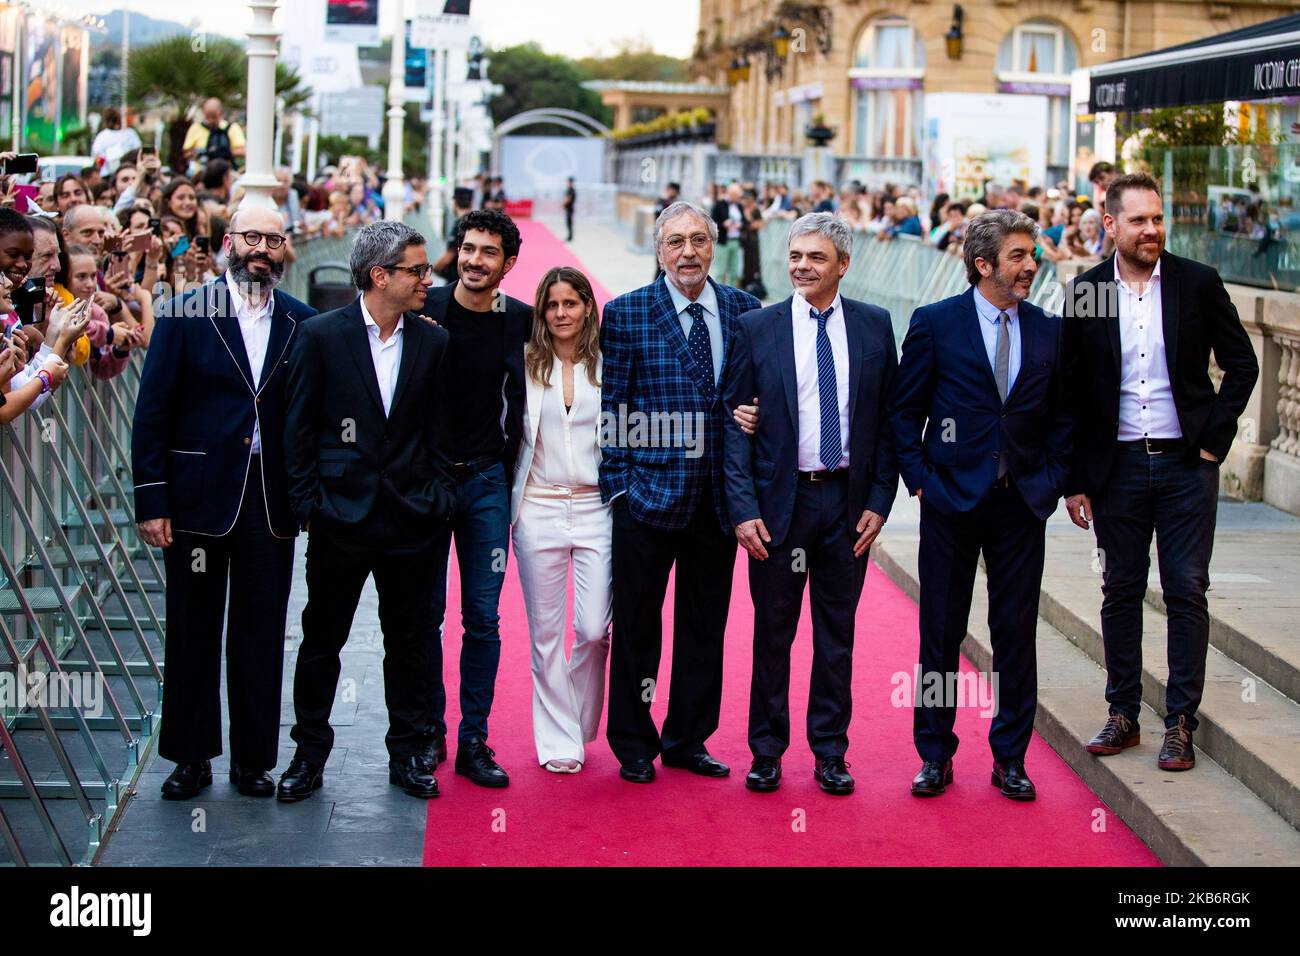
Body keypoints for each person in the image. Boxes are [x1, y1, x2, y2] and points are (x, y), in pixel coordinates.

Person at [1062, 173, 1258, 772]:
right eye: (1139, 220)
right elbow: (1069, 389)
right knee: (1119, 589)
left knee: (1185, 590)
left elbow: (1242, 365)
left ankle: (1179, 723)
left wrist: (1211, 445)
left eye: (1158, 218)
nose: (1152, 230)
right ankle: (1123, 713)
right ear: (1110, 224)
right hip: (1115, 469)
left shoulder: (1197, 282)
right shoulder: (1086, 291)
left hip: (1184, 466)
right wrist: (1075, 478)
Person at [132, 205, 314, 800]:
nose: (262, 248)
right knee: (191, 629)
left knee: (261, 633)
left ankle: (253, 760)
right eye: (252, 237)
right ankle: (190, 757)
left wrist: (308, 495)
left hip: (271, 501)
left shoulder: (301, 322)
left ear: (284, 248)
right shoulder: (185, 312)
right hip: (196, 500)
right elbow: (152, 411)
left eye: (274, 239)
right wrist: (152, 500)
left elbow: (310, 418)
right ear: (230, 241)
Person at [890, 210, 1071, 801]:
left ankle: (1010, 758)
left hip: (1021, 505)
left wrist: (1050, 481)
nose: (1031, 264)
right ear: (983, 264)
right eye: (1019, 255)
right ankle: (935, 755)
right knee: (939, 635)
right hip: (949, 503)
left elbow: (1063, 415)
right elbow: (902, 411)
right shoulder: (935, 324)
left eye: (1033, 252)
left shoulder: (1047, 328)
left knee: (1016, 634)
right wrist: (921, 483)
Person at [722, 213, 899, 795]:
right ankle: (767, 750)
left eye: (815, 258)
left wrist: (880, 499)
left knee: (836, 636)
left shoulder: (875, 327)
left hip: (847, 506)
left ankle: (830, 752)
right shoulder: (757, 327)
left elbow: (889, 423)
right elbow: (732, 425)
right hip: (779, 507)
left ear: (843, 265)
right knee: (773, 633)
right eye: (795, 255)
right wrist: (743, 508)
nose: (801, 266)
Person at [279, 220, 454, 801]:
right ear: (380, 275)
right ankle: (308, 755)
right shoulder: (321, 335)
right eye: (417, 270)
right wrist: (308, 505)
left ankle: (407, 755)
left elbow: (438, 433)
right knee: (321, 640)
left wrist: (437, 499)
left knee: (408, 643)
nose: (429, 278)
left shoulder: (432, 341)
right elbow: (298, 428)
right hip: (339, 518)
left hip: (412, 519)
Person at [599, 200, 761, 783]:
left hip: (718, 505)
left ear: (714, 245)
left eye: (698, 240)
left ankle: (688, 738)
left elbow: (754, 398)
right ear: (659, 249)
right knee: (639, 629)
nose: (688, 252)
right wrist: (620, 488)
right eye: (675, 242)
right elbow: (612, 409)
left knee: (704, 627)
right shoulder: (626, 314)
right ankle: (634, 743)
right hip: (646, 501)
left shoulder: (746, 311)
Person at [418, 208, 530, 788]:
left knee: (483, 619)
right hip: (428, 482)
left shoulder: (522, 322)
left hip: (488, 482)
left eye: (488, 252)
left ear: (508, 264)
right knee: (426, 615)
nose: (474, 260)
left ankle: (474, 739)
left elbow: (581, 361)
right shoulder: (424, 309)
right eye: (467, 248)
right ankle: (430, 729)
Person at [511, 267, 610, 773]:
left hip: (597, 507)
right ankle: (558, 741)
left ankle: (577, 719)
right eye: (552, 305)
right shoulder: (526, 363)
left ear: (588, 307)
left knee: (594, 629)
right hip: (539, 504)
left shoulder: (607, 364)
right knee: (546, 633)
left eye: (571, 304)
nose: (561, 314)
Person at [183, 97, 246, 165]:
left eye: (213, 116)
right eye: (207, 116)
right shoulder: (196, 128)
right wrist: (201, 153)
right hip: (202, 172)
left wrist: (222, 153)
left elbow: (243, 151)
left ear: (221, 113)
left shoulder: (232, 128)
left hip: (225, 170)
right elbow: (186, 153)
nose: (210, 120)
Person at [91, 106, 141, 176]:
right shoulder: (130, 134)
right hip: (129, 172)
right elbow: (138, 151)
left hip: (107, 174)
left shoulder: (101, 137)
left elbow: (98, 157)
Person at [563, 176, 576, 242]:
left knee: (569, 223)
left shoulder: (572, 190)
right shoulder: (569, 189)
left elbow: (569, 199)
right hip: (568, 208)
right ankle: (569, 236)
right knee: (568, 223)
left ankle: (570, 237)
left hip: (570, 208)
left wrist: (563, 204)